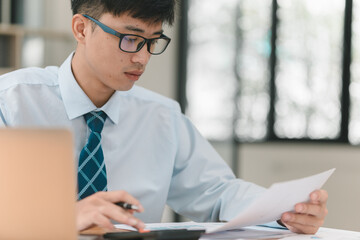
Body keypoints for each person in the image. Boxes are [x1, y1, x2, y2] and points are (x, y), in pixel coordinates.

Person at [0, 0, 328, 234]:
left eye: (152, 41)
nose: (142, 57)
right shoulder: (11, 102)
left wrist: (285, 210)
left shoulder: (160, 117)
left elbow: (217, 192)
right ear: (82, 28)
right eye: (130, 39)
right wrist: (63, 217)